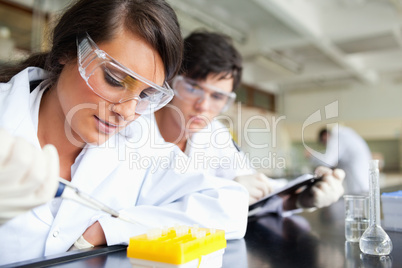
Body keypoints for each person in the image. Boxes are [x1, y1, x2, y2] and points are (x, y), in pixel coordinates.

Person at [0, 1, 248, 265]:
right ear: (68, 50)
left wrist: (110, 228)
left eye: (145, 94)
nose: (128, 112)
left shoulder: (137, 144)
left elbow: (229, 207)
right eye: (115, 79)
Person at [137, 30, 345, 214]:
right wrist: (224, 194)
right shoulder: (134, 123)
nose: (203, 105)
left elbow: (256, 187)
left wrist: (299, 198)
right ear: (171, 79)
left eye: (217, 97)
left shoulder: (214, 133)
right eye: (192, 88)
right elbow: (134, 206)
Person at [308, 126, 371, 194]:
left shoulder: (337, 137)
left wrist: (312, 155)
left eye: (324, 142)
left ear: (325, 135)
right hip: (359, 178)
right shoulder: (344, 135)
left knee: (359, 197)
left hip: (358, 179)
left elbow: (328, 161)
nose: (326, 145)